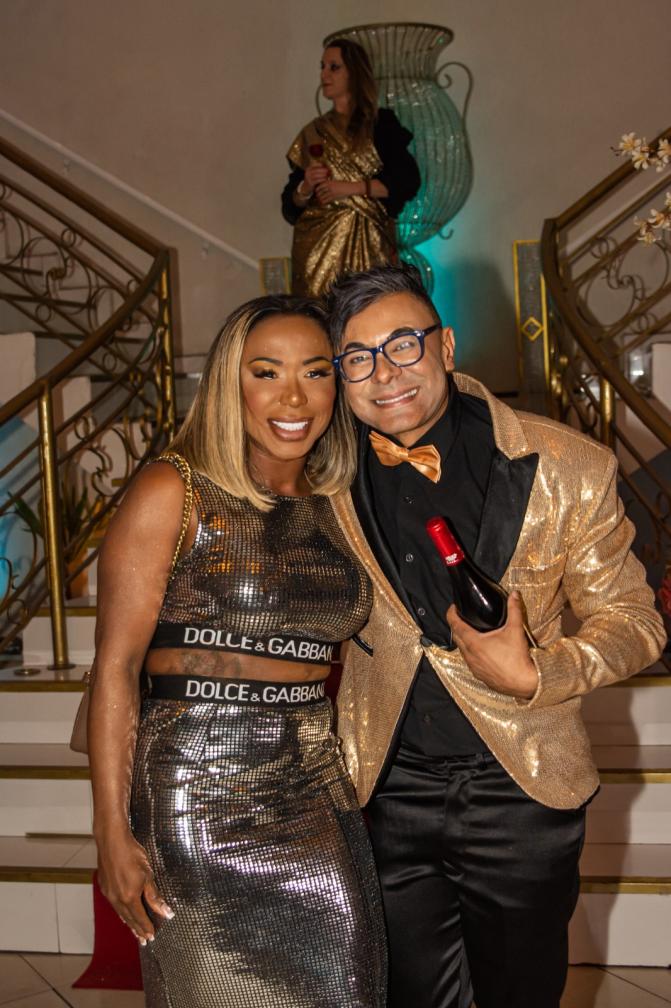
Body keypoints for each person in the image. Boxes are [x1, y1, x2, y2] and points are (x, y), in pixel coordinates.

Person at [325, 264, 666, 1008]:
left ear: (445, 345)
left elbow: (635, 622)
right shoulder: (322, 475)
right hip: (386, 784)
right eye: (358, 357)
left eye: (403, 344)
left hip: (521, 786)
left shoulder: (569, 465)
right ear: (340, 376)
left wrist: (540, 673)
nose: (385, 373)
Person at [87, 294, 387, 1008]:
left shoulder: (339, 500)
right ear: (230, 383)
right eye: (266, 372)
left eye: (315, 371)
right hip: (197, 793)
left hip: (315, 786)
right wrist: (110, 831)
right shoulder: (174, 489)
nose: (294, 397)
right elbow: (114, 669)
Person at [282, 38, 419, 298]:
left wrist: (350, 188)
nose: (324, 74)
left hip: (371, 246)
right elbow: (290, 208)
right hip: (316, 252)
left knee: (370, 306)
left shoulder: (380, 124)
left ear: (354, 73)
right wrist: (306, 186)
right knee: (319, 313)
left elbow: (407, 181)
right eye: (322, 67)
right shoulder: (314, 132)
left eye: (334, 67)